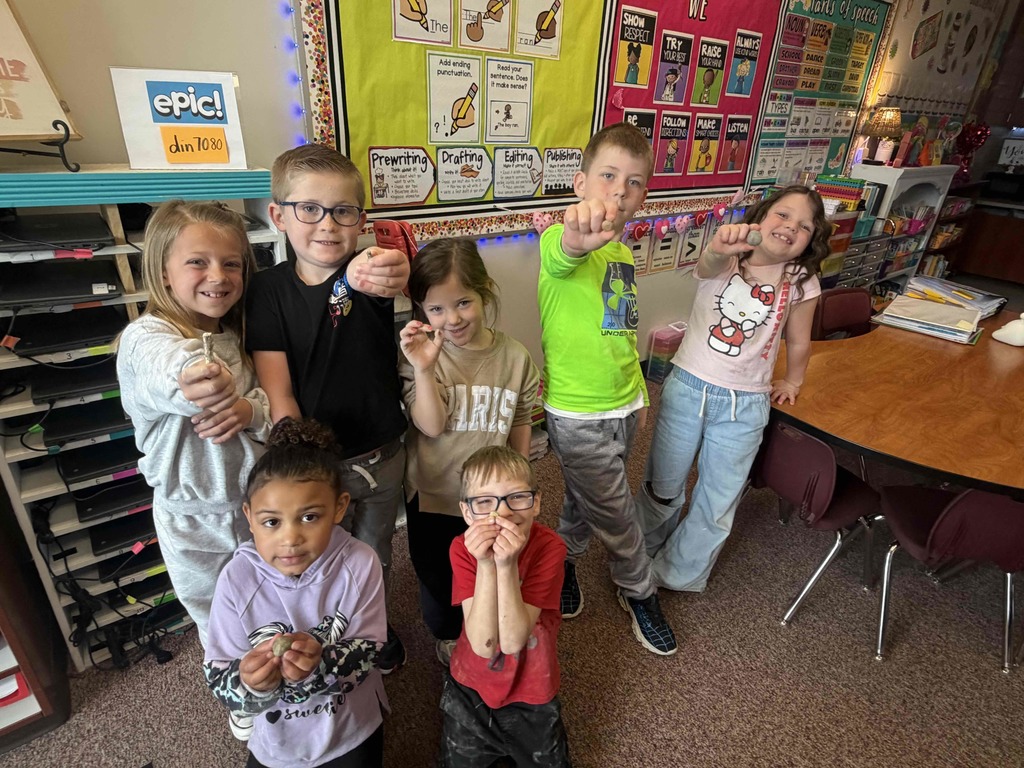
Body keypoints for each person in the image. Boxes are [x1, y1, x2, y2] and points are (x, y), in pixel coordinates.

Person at [246, 143, 411, 672]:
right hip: (317, 464)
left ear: (360, 220)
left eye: (343, 211)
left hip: (382, 453)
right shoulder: (266, 291)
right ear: (278, 215)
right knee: (312, 559)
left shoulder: (365, 276)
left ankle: (370, 630)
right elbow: (279, 392)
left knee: (373, 552)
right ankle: (317, 636)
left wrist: (386, 267)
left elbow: (380, 270)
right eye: (309, 209)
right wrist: (302, 469)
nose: (327, 224)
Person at [636, 185, 828, 593]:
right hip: (689, 389)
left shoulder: (801, 280)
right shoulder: (727, 255)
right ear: (761, 216)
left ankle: (677, 573)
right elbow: (706, 264)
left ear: (812, 239)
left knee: (718, 500)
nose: (791, 227)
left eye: (805, 225)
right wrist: (720, 246)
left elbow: (799, 339)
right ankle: (637, 557)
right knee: (663, 484)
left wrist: (794, 379)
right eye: (783, 215)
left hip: (747, 404)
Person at [537, 122, 677, 656]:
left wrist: (639, 395)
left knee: (582, 493)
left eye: (635, 182)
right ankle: (638, 591)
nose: (620, 191)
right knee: (618, 514)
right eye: (609, 176)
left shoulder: (620, 254)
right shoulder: (559, 236)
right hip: (577, 413)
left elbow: (621, 333)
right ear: (580, 183)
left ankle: (565, 560)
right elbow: (566, 247)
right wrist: (578, 232)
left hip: (622, 403)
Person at [117, 200, 270, 650]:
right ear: (165, 272)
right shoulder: (145, 337)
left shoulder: (241, 334)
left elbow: (268, 402)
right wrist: (192, 377)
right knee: (217, 620)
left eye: (231, 263)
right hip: (192, 522)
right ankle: (240, 701)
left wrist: (249, 410)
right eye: (197, 263)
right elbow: (164, 366)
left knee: (269, 604)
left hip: (256, 508)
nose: (218, 276)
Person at [204, 418, 387, 768]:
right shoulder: (236, 580)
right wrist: (249, 683)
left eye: (309, 517)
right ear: (250, 517)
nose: (290, 540)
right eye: (272, 522)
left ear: (339, 507)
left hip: (352, 727)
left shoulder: (362, 563)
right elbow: (219, 679)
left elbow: (371, 650)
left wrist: (322, 663)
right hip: (277, 742)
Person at [399, 238, 539, 667]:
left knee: (491, 572)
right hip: (434, 495)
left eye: (463, 302)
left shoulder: (515, 357)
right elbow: (431, 424)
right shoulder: (419, 356)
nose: (452, 318)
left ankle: (485, 631)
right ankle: (448, 640)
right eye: (436, 309)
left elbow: (520, 424)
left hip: (489, 502)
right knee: (438, 580)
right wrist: (423, 367)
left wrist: (521, 493)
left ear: (485, 293)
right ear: (422, 310)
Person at [441, 446, 570, 767]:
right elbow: (484, 645)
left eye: (517, 497)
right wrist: (485, 564)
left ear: (536, 502)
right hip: (472, 684)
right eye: (484, 502)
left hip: (533, 687)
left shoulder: (551, 548)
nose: (502, 513)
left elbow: (512, 642)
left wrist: (506, 565)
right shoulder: (462, 548)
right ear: (467, 513)